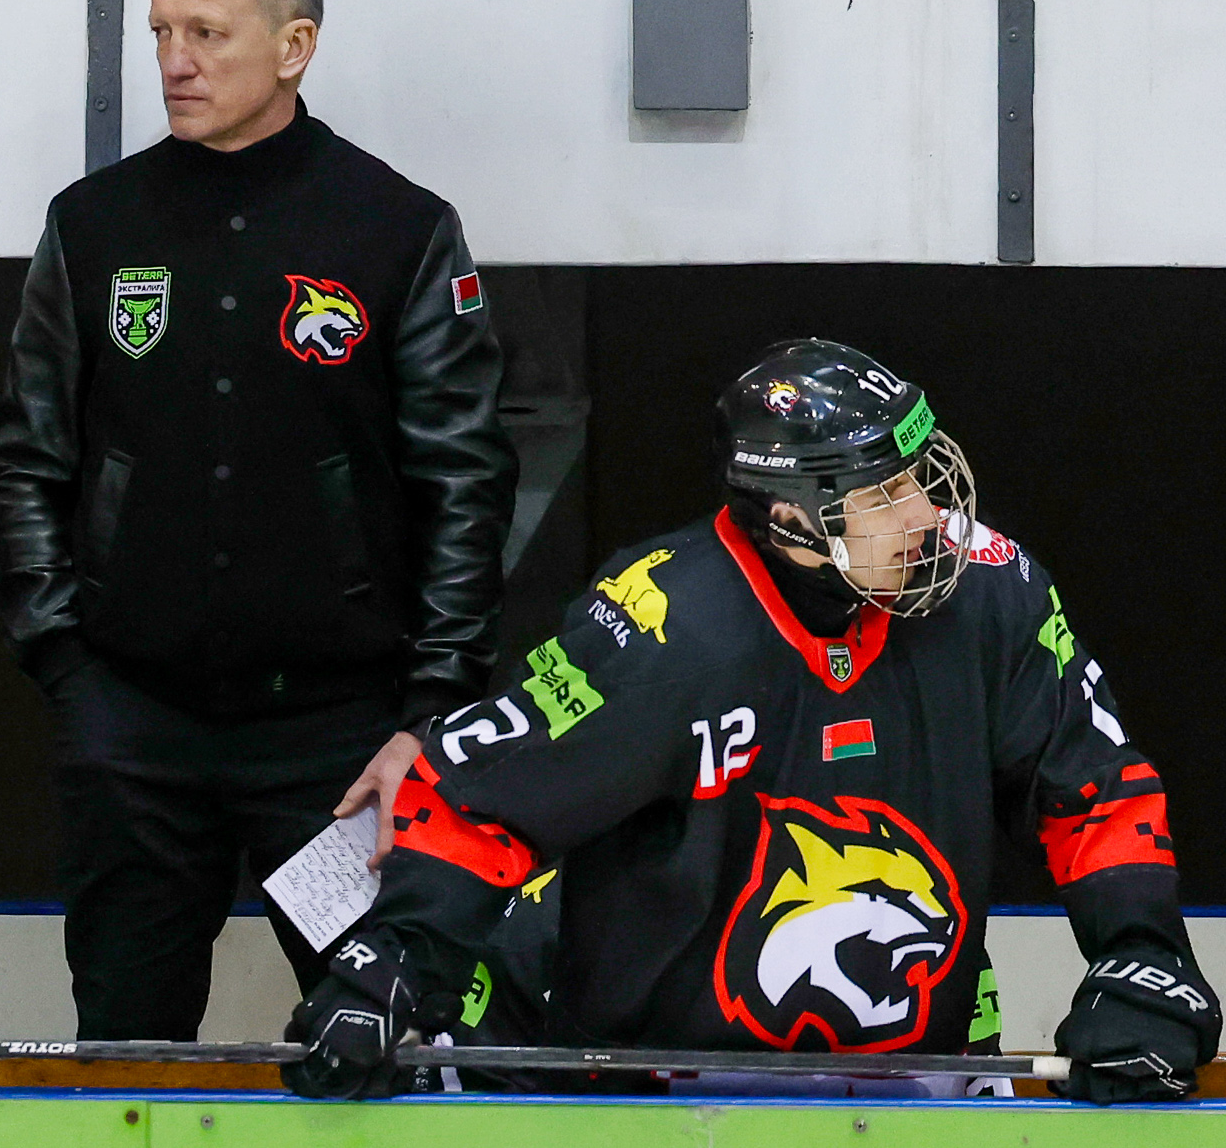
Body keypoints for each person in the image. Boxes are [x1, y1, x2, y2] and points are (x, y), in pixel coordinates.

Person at [286, 339, 1219, 1105]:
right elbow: (482, 794)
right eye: (885, 494)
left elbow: (1096, 788)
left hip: (920, 1067)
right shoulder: (663, 624)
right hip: (652, 1085)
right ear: (794, 522)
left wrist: (1143, 952)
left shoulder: (993, 593)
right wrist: (391, 961)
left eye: (920, 476)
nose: (930, 516)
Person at [0, 0, 516, 1039]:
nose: (174, 62)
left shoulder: (396, 229)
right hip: (130, 725)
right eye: (160, 33)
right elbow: (26, 456)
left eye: (207, 34)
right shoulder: (93, 225)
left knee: (381, 1035)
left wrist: (430, 714)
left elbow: (465, 483)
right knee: (124, 1044)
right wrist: (64, 664)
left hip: (338, 737)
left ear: (294, 46)